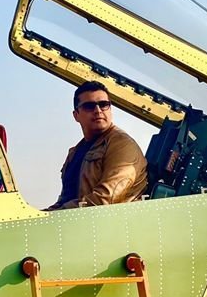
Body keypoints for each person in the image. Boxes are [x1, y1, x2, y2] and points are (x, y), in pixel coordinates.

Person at [47, 81, 148, 210]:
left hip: (113, 225)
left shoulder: (122, 144)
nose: (98, 110)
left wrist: (58, 214)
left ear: (110, 109)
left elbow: (106, 198)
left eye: (104, 105)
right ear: (76, 115)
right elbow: (65, 199)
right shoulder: (75, 152)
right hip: (82, 221)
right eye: (89, 106)